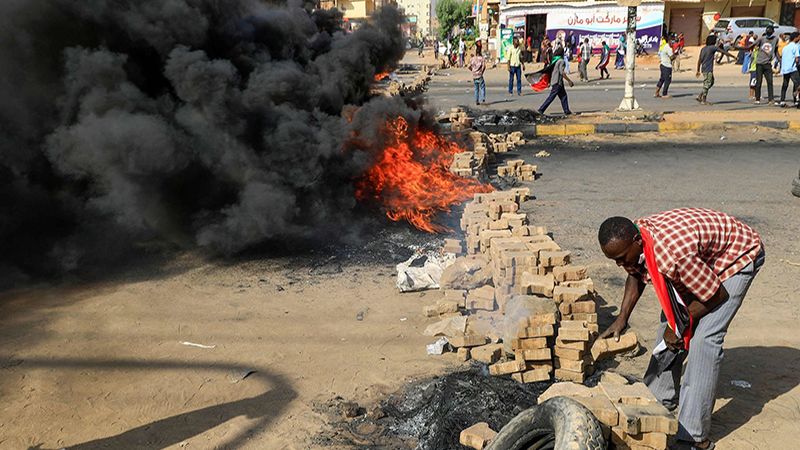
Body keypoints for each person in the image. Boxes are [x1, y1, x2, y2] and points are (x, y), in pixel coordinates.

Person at [597, 209, 764, 450]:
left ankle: (693, 436)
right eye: (615, 260)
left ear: (636, 241)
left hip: (737, 255)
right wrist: (622, 317)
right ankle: (657, 401)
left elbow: (716, 295)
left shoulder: (671, 256)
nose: (620, 264)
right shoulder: (636, 243)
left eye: (622, 257)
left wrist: (679, 326)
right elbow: (635, 274)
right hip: (699, 261)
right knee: (670, 321)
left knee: (705, 339)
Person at [696, 35, 735, 104]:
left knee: (711, 82)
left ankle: (700, 95)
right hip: (708, 68)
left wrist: (698, 70)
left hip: (704, 68)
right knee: (707, 83)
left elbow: (699, 60)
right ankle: (703, 100)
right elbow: (723, 52)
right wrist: (734, 57)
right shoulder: (712, 48)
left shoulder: (704, 48)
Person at [745, 25, 778, 104]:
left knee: (770, 82)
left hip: (768, 63)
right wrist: (742, 47)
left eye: (770, 31)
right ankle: (757, 99)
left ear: (773, 32)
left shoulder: (776, 39)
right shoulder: (762, 39)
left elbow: (775, 50)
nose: (769, 32)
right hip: (759, 63)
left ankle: (771, 99)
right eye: (767, 31)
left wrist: (779, 59)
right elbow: (752, 45)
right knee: (759, 82)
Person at [537, 46, 573, 115]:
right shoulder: (561, 61)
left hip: (557, 82)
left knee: (563, 96)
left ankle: (567, 111)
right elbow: (562, 72)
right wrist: (569, 81)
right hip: (557, 82)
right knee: (551, 97)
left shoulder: (555, 60)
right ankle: (541, 109)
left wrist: (549, 81)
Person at [778, 32, 800, 107]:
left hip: (785, 68)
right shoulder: (795, 46)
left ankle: (782, 101)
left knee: (785, 84)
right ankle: (797, 100)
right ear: (796, 38)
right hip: (792, 68)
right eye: (798, 37)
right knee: (798, 84)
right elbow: (797, 58)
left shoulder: (785, 47)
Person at [469, 41, 487, 106]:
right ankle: (483, 98)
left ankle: (476, 100)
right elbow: (484, 66)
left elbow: (469, 66)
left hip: (474, 75)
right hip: (480, 75)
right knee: (482, 87)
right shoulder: (482, 59)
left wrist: (473, 70)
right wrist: (482, 71)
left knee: (476, 88)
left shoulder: (472, 59)